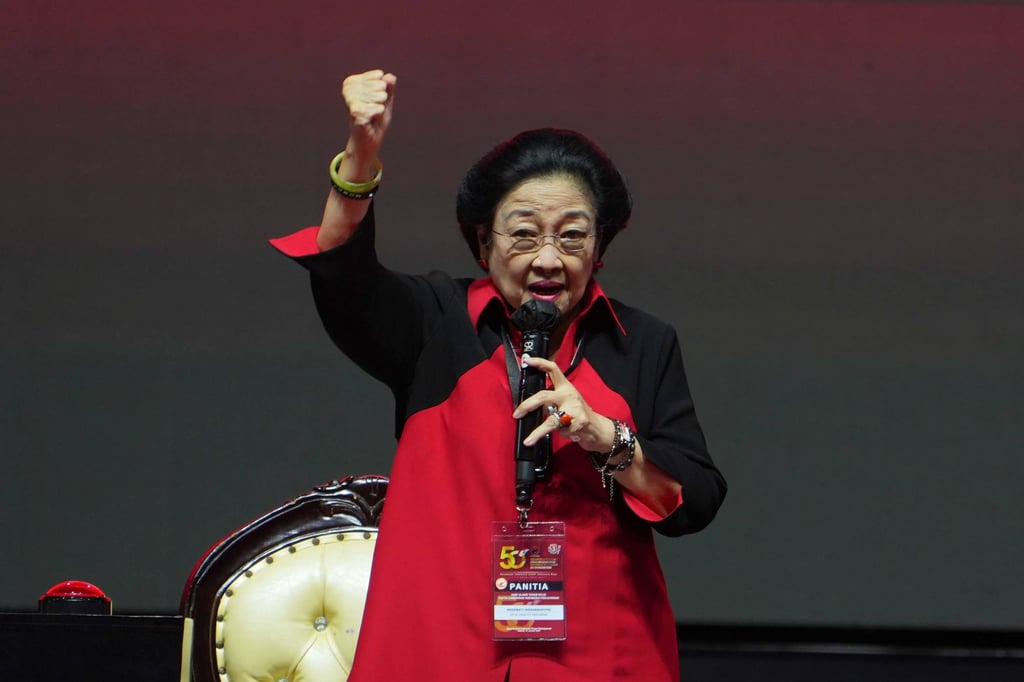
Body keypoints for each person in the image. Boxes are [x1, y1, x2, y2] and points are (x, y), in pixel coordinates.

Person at [270, 69, 727, 682]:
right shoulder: (436, 322)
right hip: (440, 650)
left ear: (599, 250)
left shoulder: (642, 342)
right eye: (524, 235)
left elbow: (694, 497)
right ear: (484, 244)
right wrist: (360, 156)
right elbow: (343, 274)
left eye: (572, 237)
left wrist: (608, 439)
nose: (548, 259)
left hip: (600, 653)